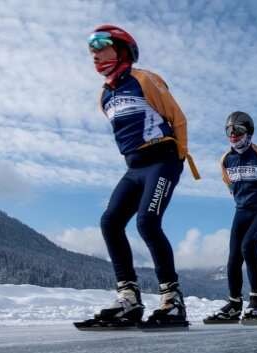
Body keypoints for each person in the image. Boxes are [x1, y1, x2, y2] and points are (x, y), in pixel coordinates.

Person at [77, 25, 199, 330]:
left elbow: (178, 118)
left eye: (101, 47)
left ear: (121, 50)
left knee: (147, 222)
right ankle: (129, 298)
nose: (94, 54)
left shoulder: (144, 79)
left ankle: (172, 299)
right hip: (134, 168)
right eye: (91, 50)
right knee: (110, 222)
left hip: (162, 161)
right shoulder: (105, 95)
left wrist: (178, 157)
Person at [204, 112, 257, 324]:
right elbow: (228, 183)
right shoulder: (225, 159)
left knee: (248, 247)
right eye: (228, 130)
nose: (233, 134)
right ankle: (234, 304)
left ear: (249, 133)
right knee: (233, 256)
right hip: (241, 210)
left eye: (238, 130)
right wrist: (241, 199)